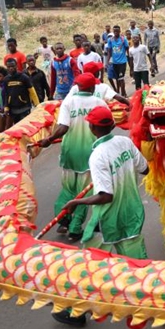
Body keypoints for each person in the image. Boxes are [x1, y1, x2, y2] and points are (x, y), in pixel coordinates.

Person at [51, 105, 149, 327]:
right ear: (112, 125)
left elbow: (105, 196)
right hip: (132, 213)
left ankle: (76, 313)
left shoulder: (97, 156)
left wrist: (77, 201)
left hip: (107, 220)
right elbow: (146, 169)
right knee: (139, 265)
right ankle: (149, 305)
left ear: (93, 127)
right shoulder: (124, 142)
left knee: (89, 267)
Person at [38, 73, 108, 240]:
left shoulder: (68, 102)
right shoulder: (99, 103)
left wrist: (49, 139)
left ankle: (63, 221)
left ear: (78, 87)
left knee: (68, 189)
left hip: (69, 152)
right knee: (82, 193)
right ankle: (75, 229)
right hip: (89, 154)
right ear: (92, 87)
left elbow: (63, 127)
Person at [4, 58, 39, 124]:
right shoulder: (6, 79)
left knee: (25, 125)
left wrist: (37, 104)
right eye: (9, 67)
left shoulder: (24, 77)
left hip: (25, 107)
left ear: (16, 66)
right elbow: (6, 94)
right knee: (17, 126)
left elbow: (32, 91)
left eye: (12, 66)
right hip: (13, 108)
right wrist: (6, 107)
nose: (11, 68)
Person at [106, 25, 129, 97]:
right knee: (118, 79)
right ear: (113, 31)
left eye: (117, 31)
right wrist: (107, 61)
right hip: (115, 63)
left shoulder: (123, 39)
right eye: (114, 31)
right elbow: (109, 51)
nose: (116, 32)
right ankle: (123, 92)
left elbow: (127, 48)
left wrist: (128, 57)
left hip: (122, 62)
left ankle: (122, 95)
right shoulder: (110, 40)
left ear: (119, 31)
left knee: (121, 78)